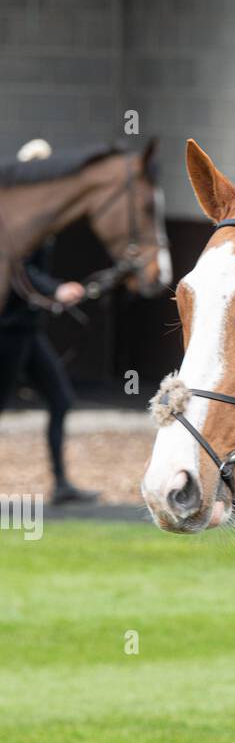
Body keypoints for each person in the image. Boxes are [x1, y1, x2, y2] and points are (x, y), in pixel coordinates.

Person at [0, 138, 98, 503]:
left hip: (25, 329)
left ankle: (60, 484)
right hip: (8, 330)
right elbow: (20, 271)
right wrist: (55, 290)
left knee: (59, 398)